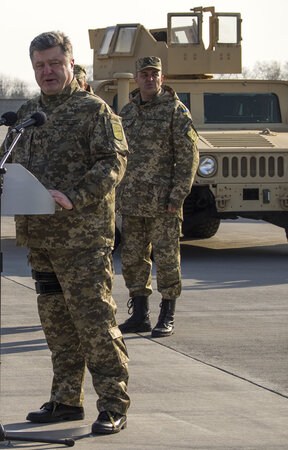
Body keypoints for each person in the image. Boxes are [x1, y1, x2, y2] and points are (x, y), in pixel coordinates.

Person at [0, 31, 130, 434]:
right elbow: (6, 160)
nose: (47, 72)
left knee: (94, 322)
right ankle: (66, 399)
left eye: (55, 63)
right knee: (57, 325)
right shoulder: (26, 113)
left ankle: (113, 404)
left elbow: (114, 162)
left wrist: (74, 196)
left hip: (82, 238)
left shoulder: (94, 111)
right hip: (41, 238)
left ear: (70, 64)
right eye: (40, 65)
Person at [116, 56, 199, 338]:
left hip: (164, 203)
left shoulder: (176, 111)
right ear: (136, 78)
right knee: (133, 259)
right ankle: (139, 314)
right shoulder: (126, 113)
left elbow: (189, 158)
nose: (150, 79)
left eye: (155, 74)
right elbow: (117, 156)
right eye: (144, 74)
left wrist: (178, 195)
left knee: (167, 259)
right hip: (131, 202)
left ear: (162, 78)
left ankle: (167, 314)